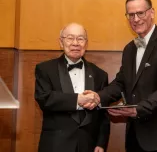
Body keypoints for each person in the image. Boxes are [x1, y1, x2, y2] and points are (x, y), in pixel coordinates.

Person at [85, 0, 157, 152]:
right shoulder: (129, 49)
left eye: (140, 13)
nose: (135, 19)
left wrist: (137, 109)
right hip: (136, 138)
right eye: (131, 14)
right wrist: (99, 97)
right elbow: (121, 82)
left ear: (152, 13)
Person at [34, 23, 110, 152]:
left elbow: (103, 114)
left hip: (88, 145)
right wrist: (77, 100)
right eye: (70, 38)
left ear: (86, 43)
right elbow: (44, 98)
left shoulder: (100, 74)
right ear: (61, 42)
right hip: (55, 146)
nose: (76, 43)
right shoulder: (45, 69)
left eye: (80, 39)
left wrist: (101, 143)